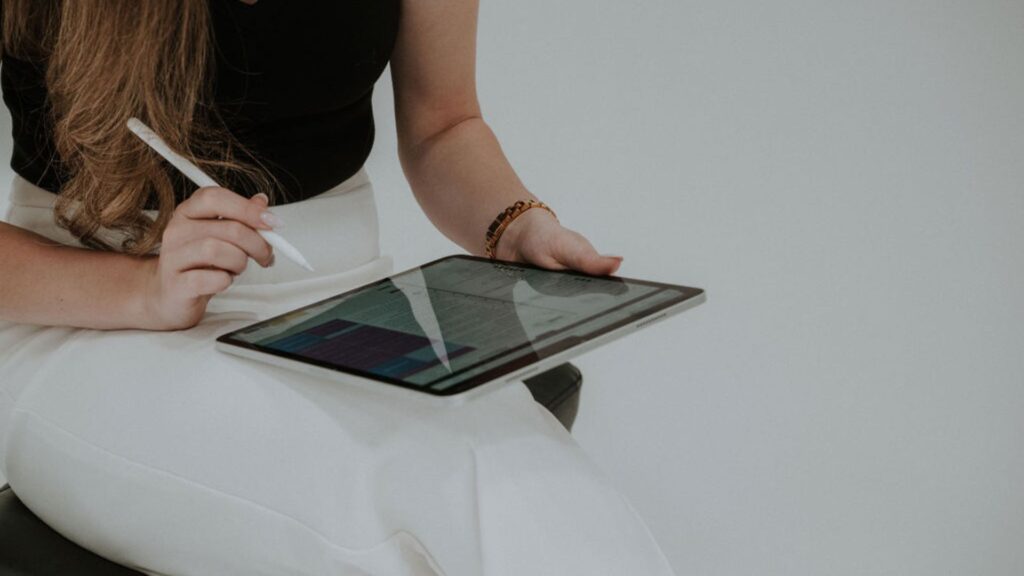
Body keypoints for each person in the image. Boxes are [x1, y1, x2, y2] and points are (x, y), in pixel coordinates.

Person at [0, 1, 676, 574]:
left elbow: (446, 126)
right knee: (414, 499)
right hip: (90, 322)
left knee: (538, 492)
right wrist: (144, 291)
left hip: (341, 302)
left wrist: (516, 225)